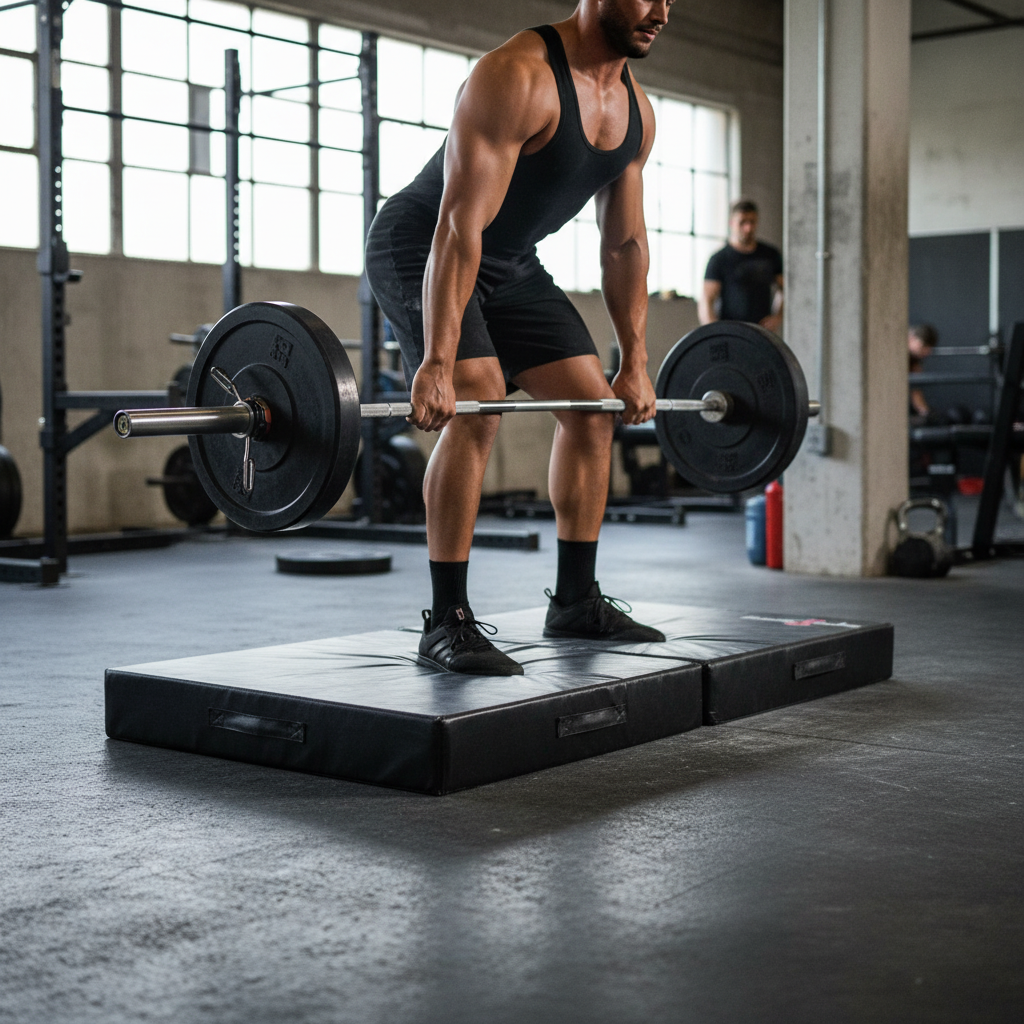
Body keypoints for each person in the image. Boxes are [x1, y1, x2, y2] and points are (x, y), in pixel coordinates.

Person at [365, 0, 673, 676]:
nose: (660, 11)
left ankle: (574, 601)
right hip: (425, 243)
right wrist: (438, 363)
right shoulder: (515, 75)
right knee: (479, 402)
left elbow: (623, 244)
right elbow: (455, 226)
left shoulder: (636, 112)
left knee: (594, 411)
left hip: (511, 261)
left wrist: (636, 361)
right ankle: (446, 620)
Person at [698, 199, 784, 332]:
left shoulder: (770, 255)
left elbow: (785, 290)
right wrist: (716, 333)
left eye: (752, 222)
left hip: (762, 333)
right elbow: (706, 301)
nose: (748, 228)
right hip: (731, 332)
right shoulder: (719, 259)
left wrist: (777, 317)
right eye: (742, 222)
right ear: (731, 223)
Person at [908, 323, 937, 418]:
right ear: (912, 338)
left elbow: (916, 392)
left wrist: (926, 413)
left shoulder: (914, 362)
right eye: (923, 347)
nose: (925, 352)